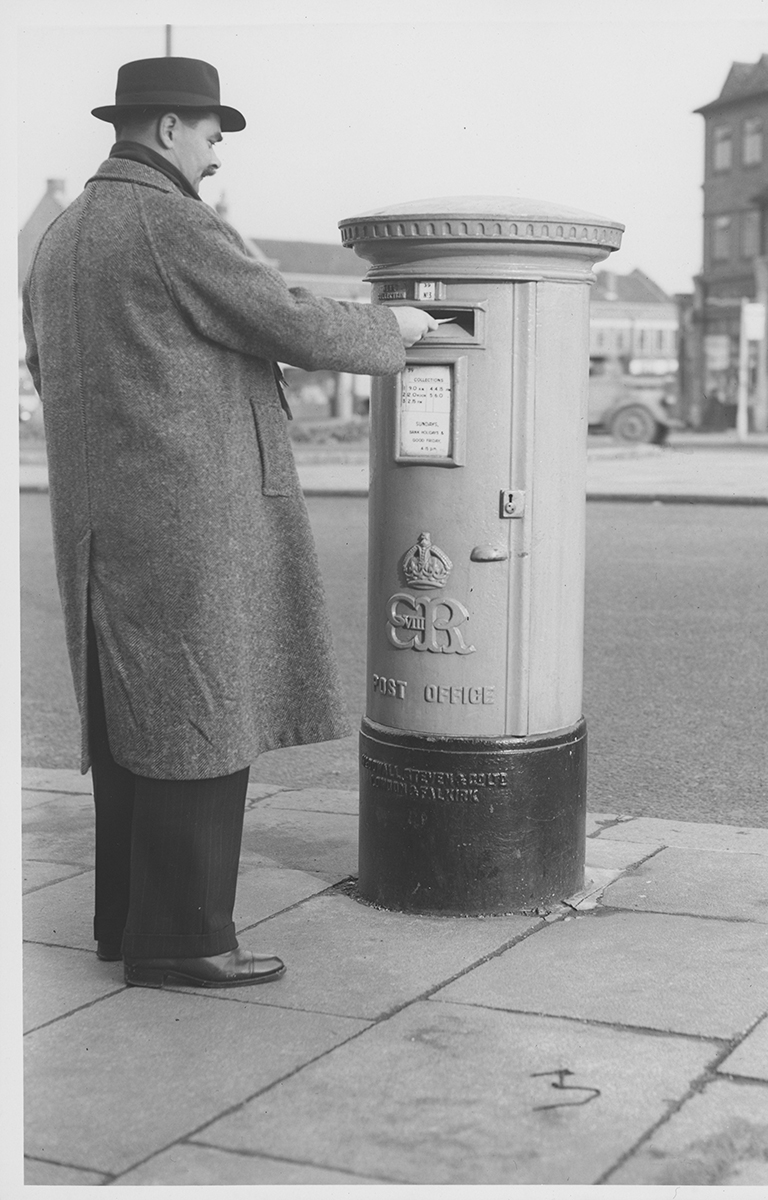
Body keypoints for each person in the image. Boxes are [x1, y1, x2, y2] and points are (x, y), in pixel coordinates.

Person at [22, 57, 436, 990]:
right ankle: (185, 942)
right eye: (212, 135)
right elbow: (279, 317)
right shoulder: (167, 218)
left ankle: (129, 924)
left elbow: (51, 367)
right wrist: (395, 331)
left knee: (140, 724)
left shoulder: (63, 234)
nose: (215, 155)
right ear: (168, 128)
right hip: (186, 513)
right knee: (199, 721)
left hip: (102, 515)